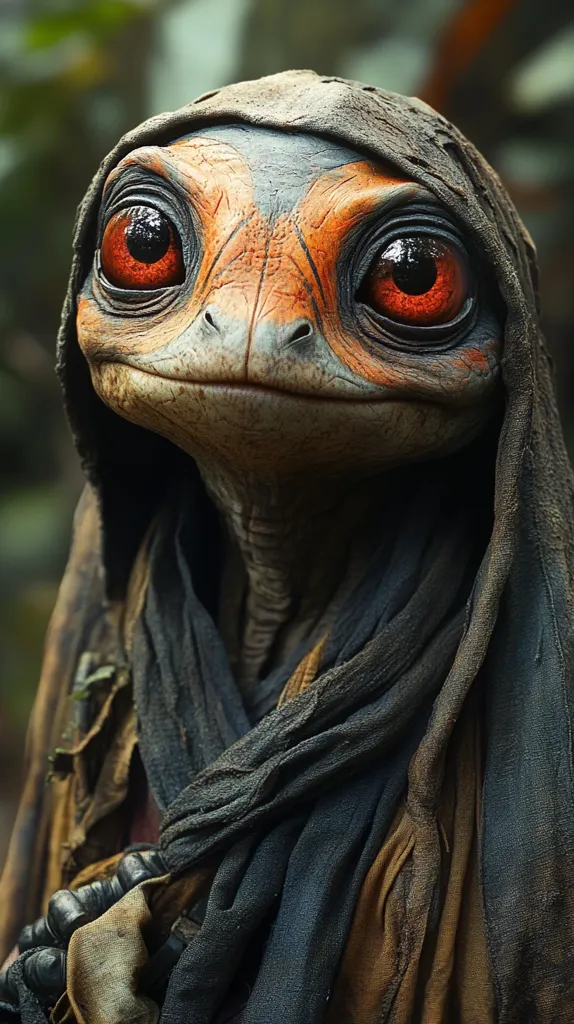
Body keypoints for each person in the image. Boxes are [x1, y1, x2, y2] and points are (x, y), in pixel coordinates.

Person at [1, 69, 573, 1024]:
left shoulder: (530, 725)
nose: (257, 323)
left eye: (408, 275)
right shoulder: (113, 631)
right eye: (150, 248)